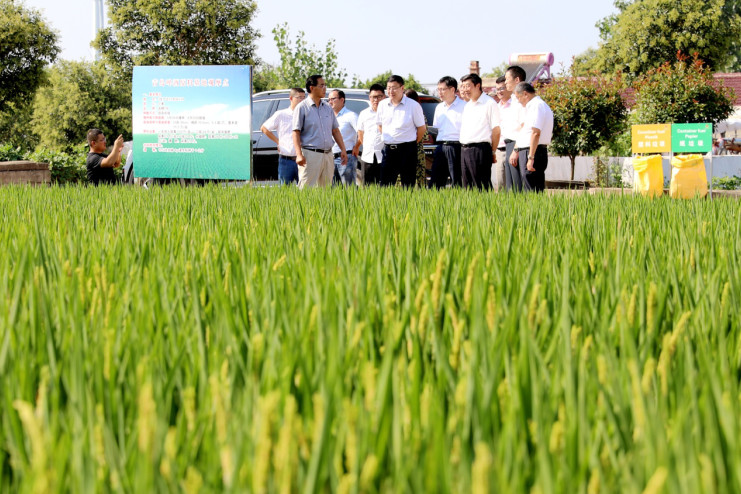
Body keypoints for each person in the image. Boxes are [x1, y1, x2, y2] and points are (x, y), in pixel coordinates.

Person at [292, 75, 347, 189]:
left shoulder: (327, 107)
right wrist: (299, 154)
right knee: (306, 190)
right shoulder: (302, 108)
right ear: (312, 88)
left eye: (325, 85)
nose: (324, 88)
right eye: (321, 85)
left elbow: (335, 130)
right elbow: (296, 132)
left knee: (325, 190)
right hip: (310, 155)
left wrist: (343, 149)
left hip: (328, 154)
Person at [376, 75, 426, 187]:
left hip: (407, 150)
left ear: (402, 88)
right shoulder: (382, 105)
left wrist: (411, 142)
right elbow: (380, 126)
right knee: (385, 186)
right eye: (388, 88)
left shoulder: (413, 105)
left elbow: (422, 128)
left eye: (394, 88)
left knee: (407, 186)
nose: (391, 91)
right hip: (388, 150)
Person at [459, 73, 500, 190]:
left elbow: (496, 130)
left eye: (468, 86)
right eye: (463, 86)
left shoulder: (489, 103)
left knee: (481, 186)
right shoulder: (468, 105)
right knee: (468, 187)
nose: (465, 89)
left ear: (478, 86)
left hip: (480, 150)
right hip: (464, 149)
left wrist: (493, 152)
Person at [514, 82, 554, 192]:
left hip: (532, 151)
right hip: (534, 150)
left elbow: (535, 132)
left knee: (531, 189)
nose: (518, 100)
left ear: (525, 94)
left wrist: (530, 157)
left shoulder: (536, 106)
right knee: (534, 188)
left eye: (518, 97)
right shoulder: (538, 105)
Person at [261, 87, 306, 185]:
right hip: (286, 160)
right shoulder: (281, 114)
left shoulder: (306, 114)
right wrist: (278, 142)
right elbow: (264, 128)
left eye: (304, 97)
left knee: (305, 190)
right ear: (291, 98)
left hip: (304, 159)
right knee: (285, 190)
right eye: (299, 97)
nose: (302, 100)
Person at [430, 76, 465, 189]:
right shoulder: (439, 107)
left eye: (442, 89)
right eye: (438, 89)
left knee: (456, 179)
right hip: (440, 146)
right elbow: (437, 128)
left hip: (456, 146)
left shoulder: (464, 106)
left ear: (452, 89)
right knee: (436, 180)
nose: (439, 92)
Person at [494, 74, 525, 191]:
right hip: (500, 150)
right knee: (501, 185)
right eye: (497, 89)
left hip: (513, 147)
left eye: (502, 88)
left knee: (516, 185)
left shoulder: (516, 104)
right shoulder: (496, 107)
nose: (499, 91)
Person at [354, 84, 386, 186]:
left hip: (384, 155)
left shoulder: (389, 113)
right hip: (368, 156)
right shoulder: (364, 113)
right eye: (373, 97)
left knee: (385, 187)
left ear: (384, 97)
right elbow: (360, 132)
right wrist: (366, 145)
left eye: (379, 97)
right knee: (367, 187)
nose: (376, 100)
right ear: (369, 97)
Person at [327, 89, 359, 186]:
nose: (330, 102)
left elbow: (362, 133)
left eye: (333, 99)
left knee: (349, 188)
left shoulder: (351, 115)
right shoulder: (328, 116)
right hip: (330, 157)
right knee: (333, 189)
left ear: (342, 100)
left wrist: (357, 147)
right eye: (329, 100)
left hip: (346, 157)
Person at [504, 65, 527, 191]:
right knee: (510, 187)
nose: (505, 82)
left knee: (518, 187)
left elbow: (524, 126)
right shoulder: (513, 99)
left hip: (516, 145)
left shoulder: (522, 100)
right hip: (509, 144)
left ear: (517, 80)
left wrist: (516, 150)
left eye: (507, 79)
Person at [404, 89, 429, 187]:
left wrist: (412, 144)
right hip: (401, 151)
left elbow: (424, 134)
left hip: (416, 150)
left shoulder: (418, 112)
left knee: (418, 181)